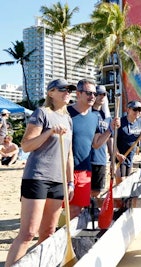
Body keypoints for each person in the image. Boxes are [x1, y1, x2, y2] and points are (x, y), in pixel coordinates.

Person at [5, 79, 75, 267]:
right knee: (28, 233)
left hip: (58, 181)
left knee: (48, 232)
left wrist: (70, 182)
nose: (67, 92)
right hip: (37, 178)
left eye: (69, 90)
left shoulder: (68, 119)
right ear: (51, 93)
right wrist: (49, 132)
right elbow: (26, 146)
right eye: (63, 89)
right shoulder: (42, 113)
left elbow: (69, 155)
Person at [67, 79, 119, 219]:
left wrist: (110, 129)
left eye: (94, 94)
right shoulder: (66, 113)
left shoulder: (94, 117)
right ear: (78, 94)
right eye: (88, 93)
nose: (93, 97)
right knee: (55, 214)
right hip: (63, 170)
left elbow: (96, 143)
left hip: (84, 169)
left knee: (77, 211)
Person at [90, 85, 112, 197]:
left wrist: (113, 157)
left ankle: (93, 211)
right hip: (88, 159)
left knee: (98, 190)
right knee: (87, 191)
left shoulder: (107, 117)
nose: (101, 96)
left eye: (104, 94)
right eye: (98, 94)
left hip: (101, 159)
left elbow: (109, 139)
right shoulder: (88, 113)